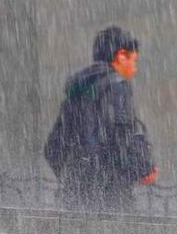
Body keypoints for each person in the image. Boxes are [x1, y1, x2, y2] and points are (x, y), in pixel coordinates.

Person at [45, 26, 156, 213]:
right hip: (109, 194)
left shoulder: (78, 92)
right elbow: (123, 132)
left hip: (74, 195)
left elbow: (53, 147)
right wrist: (143, 168)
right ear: (121, 56)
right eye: (134, 60)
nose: (135, 68)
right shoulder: (117, 85)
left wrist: (75, 176)